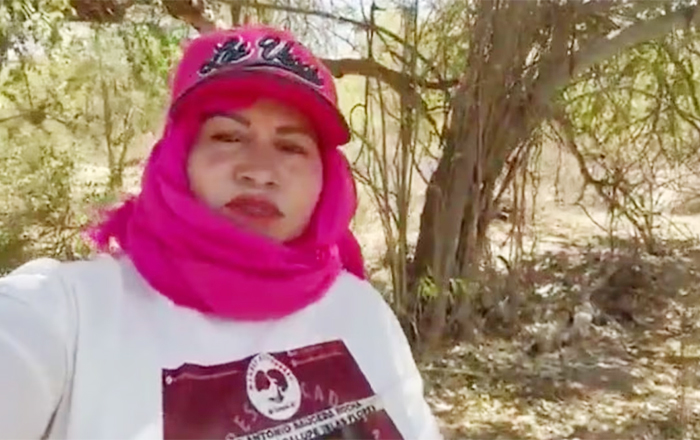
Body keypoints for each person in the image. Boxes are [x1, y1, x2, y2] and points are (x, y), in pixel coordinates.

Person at [0, 24, 442, 440]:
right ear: (179, 158)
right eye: (229, 137)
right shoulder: (67, 313)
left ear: (327, 178)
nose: (260, 171)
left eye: (291, 146)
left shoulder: (360, 309)